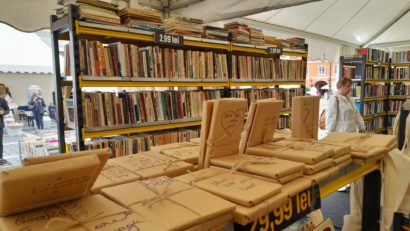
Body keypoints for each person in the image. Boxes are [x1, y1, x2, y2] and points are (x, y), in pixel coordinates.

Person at [0, 84, 10, 164]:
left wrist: (3, 112)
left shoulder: (2, 100)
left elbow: (7, 110)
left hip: (0, 125)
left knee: (0, 142)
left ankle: (0, 158)